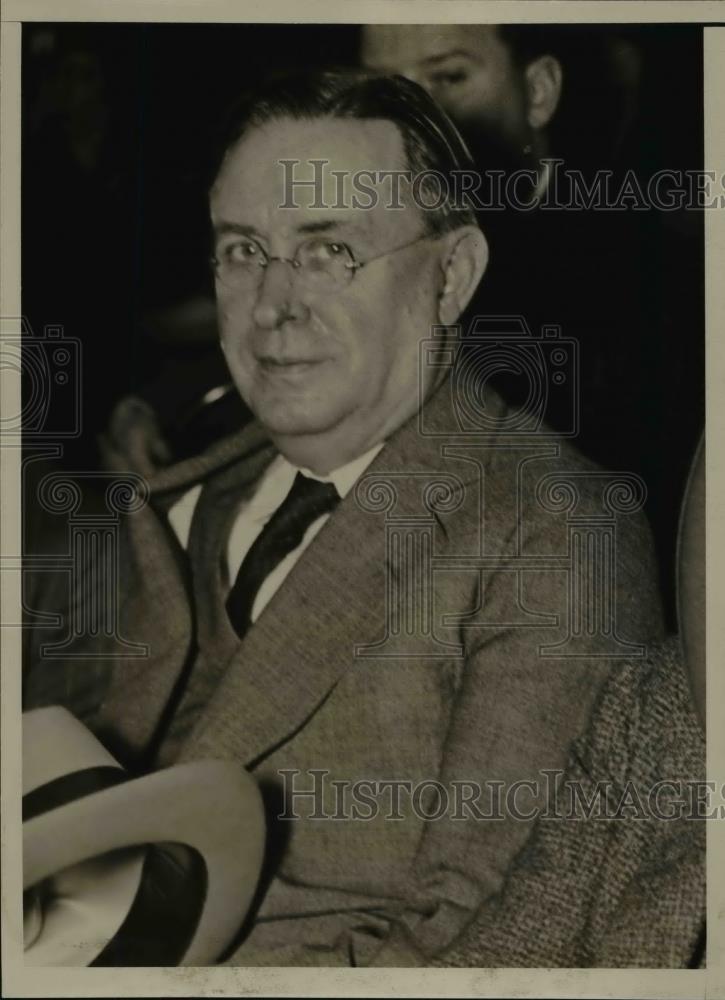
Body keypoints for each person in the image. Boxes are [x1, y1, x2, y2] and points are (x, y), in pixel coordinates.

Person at [23, 69, 664, 966]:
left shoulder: (555, 531)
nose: (274, 306)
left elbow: (481, 948)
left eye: (329, 251)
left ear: (451, 275)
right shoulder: (176, 499)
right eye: (244, 250)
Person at [361, 25, 705, 627]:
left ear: (539, 90)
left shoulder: (657, 283)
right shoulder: (370, 255)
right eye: (385, 88)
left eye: (449, 78)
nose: (408, 120)